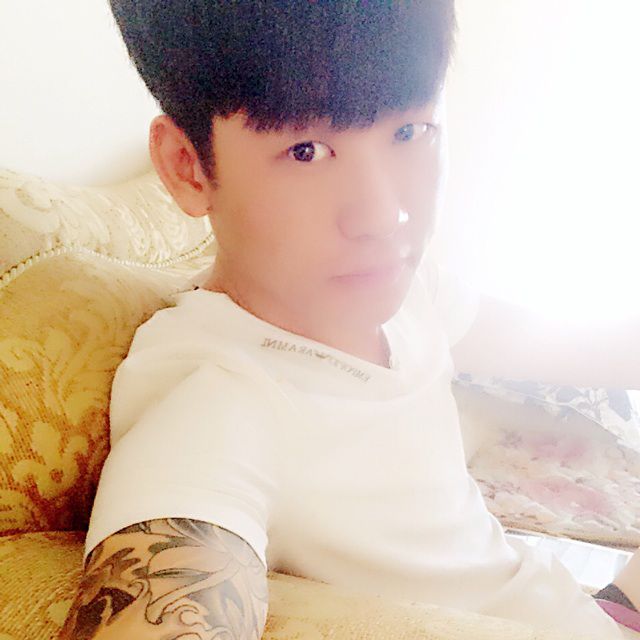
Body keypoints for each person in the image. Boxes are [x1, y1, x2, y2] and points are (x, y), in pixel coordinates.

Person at [59, 1, 640, 638]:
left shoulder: (410, 290)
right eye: (306, 150)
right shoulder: (216, 401)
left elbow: (567, 347)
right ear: (186, 167)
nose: (385, 216)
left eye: (410, 132)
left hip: (584, 607)